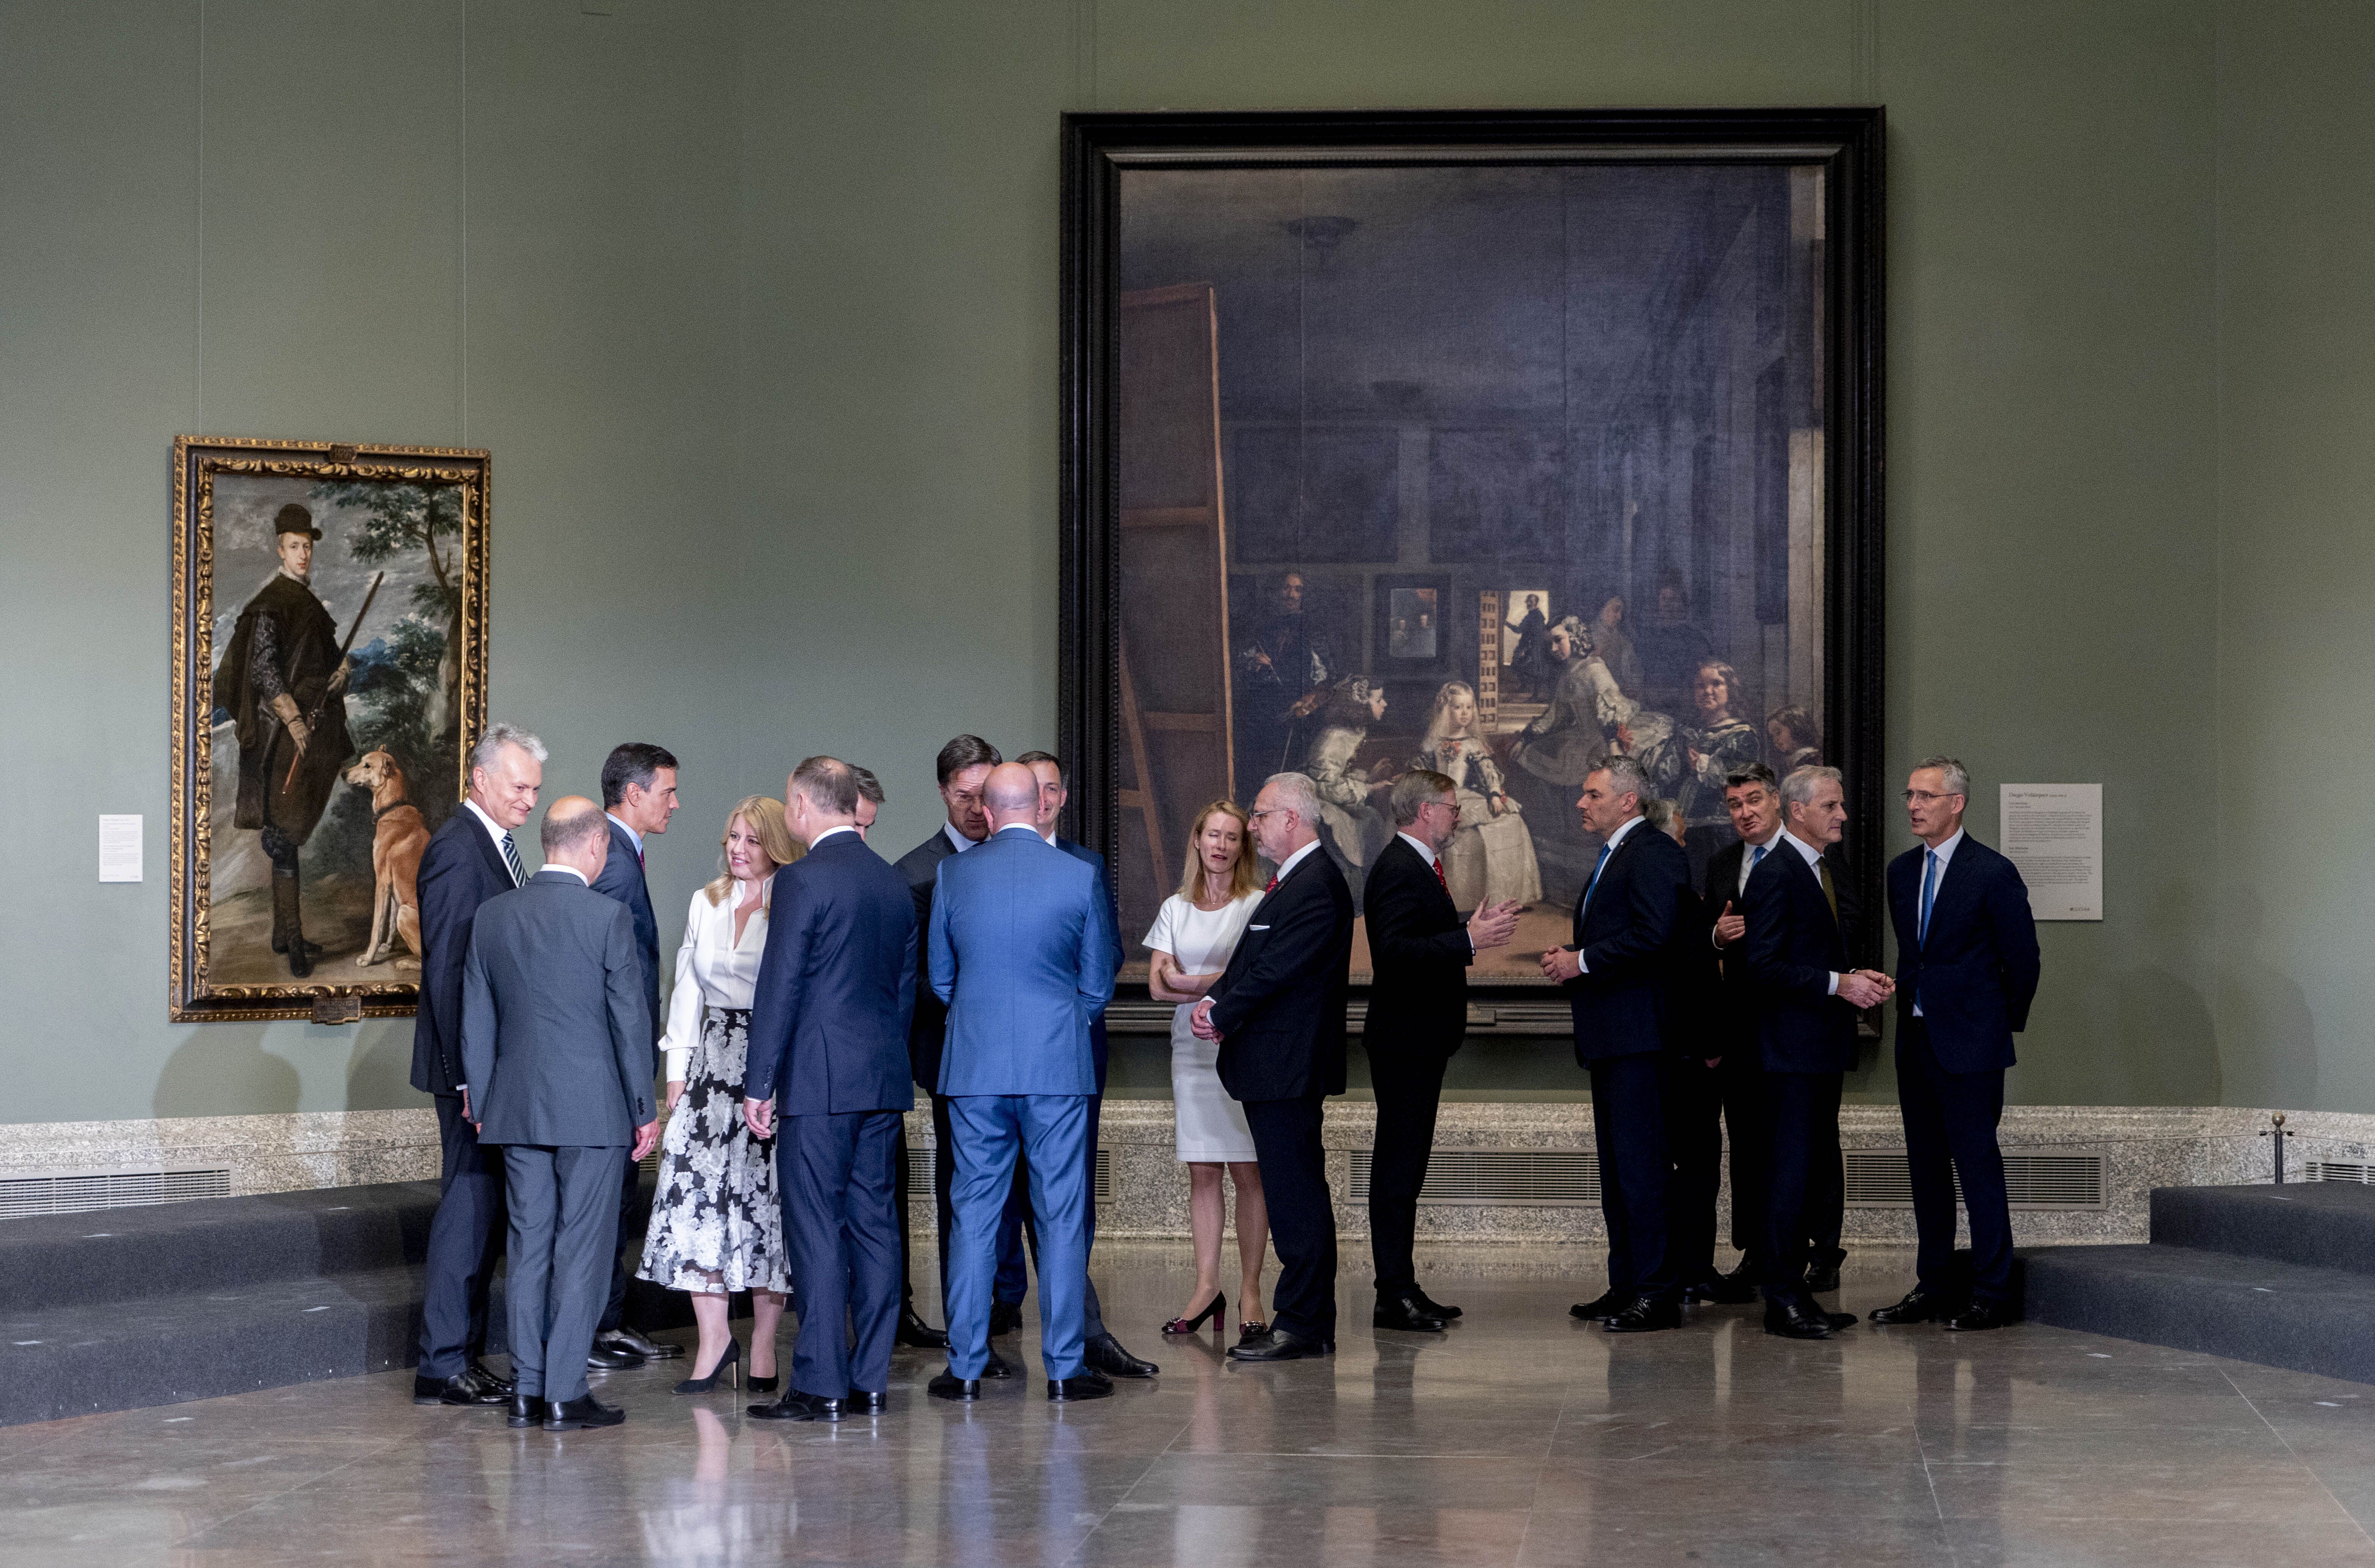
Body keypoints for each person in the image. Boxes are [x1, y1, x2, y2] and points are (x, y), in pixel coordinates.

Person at [460, 797, 661, 1432]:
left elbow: (478, 1019)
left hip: (516, 1108)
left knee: (528, 1246)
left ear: (547, 841)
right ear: (596, 843)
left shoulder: (493, 916)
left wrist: (486, 1101)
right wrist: (643, 1105)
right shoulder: (607, 917)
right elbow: (630, 1020)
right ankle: (565, 1392)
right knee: (582, 1247)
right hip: (594, 1110)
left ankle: (527, 1388)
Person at [926, 764, 1118, 1403]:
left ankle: (967, 1365)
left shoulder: (955, 873)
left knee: (973, 1213)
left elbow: (942, 978)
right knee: (1061, 1215)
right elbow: (1097, 982)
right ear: (1040, 804)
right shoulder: (1080, 873)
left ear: (986, 805)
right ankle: (1065, 1368)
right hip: (1057, 1066)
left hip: (976, 1067)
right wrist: (1058, 1024)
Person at [741, 758, 922, 1420]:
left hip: (817, 1080)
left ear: (801, 804)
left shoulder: (801, 879)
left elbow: (780, 984)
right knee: (875, 1224)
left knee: (816, 1225)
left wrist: (760, 1080)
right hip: (881, 1076)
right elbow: (903, 991)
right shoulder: (893, 881)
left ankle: (821, 1381)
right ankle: (871, 1376)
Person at [988, 751, 1157, 1379]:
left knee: (1068, 1200)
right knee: (994, 1200)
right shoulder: (979, 864)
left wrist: (1062, 1020)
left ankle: (1082, 1332)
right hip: (996, 1065)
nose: (1048, 797)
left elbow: (1106, 956)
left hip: (1073, 1056)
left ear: (1059, 796)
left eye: (1056, 787)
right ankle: (1003, 1320)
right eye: (1038, 788)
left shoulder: (1084, 864)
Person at [1869, 756, 2042, 1333]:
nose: (1914, 805)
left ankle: (1992, 1290)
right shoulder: (1900, 872)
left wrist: (1993, 1024)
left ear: (1957, 802)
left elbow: (2023, 962)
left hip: (1972, 1047)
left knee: (1977, 1168)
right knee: (1925, 1169)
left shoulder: (1991, 872)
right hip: (1916, 1043)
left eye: (1926, 796)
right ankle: (1936, 1284)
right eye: (1910, 795)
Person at [1191, 772, 1356, 1363]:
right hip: (1273, 1065)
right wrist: (1217, 1003)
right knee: (1292, 1193)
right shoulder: (1292, 882)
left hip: (1289, 1066)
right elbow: (1250, 961)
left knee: (1296, 1195)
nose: (1251, 827)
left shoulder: (1317, 884)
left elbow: (1279, 969)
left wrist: (1222, 1010)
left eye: (1260, 816)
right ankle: (1307, 1321)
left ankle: (1304, 1324)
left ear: (1292, 818)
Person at [637, 797, 797, 1395]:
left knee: (764, 1206)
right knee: (693, 1197)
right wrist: (675, 1075)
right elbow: (684, 988)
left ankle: (761, 1344)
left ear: (776, 844)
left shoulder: (791, 900)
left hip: (769, 1063)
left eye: (752, 840)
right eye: (733, 837)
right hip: (709, 1063)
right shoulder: (706, 901)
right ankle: (713, 1341)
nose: (738, 849)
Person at [408, 723, 542, 1409]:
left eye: (535, 789)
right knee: (467, 1209)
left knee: (484, 1210)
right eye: (518, 786)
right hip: (472, 1071)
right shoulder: (459, 849)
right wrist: (469, 1074)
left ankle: (462, 1354)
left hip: (492, 1067)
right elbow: (450, 970)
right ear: (481, 778)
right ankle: (442, 1363)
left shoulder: (495, 844)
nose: (528, 799)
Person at [1540, 757, 1695, 1334]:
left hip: (1640, 1038)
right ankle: (1628, 1283)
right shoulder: (1617, 855)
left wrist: (1581, 960)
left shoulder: (1654, 852)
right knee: (1618, 1170)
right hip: (1612, 1037)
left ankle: (1657, 1292)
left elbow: (1657, 935)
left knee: (1643, 1169)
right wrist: (1576, 957)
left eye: (1593, 794)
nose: (1582, 803)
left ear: (1628, 801)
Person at [1365, 771, 1522, 1332]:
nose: (1458, 815)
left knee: (1407, 1168)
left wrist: (1466, 927)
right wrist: (1469, 941)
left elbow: (1420, 931)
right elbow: (1394, 950)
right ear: (1426, 810)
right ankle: (1393, 1293)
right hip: (1405, 1039)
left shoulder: (1418, 866)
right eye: (1453, 807)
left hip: (1420, 1038)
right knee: (1398, 1170)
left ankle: (1402, 1287)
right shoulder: (1398, 867)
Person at [1741, 765, 1894, 1340]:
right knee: (1787, 1175)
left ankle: (1797, 1292)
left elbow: (1805, 955)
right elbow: (1763, 966)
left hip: (1817, 1049)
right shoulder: (1776, 872)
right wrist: (1839, 984)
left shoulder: (1820, 869)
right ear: (1797, 810)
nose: (1842, 815)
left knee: (1803, 1176)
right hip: (1789, 1054)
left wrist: (1853, 977)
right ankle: (1782, 1298)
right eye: (1831, 805)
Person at [893, 735, 1003, 1358]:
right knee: (964, 1192)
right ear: (943, 791)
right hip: (951, 1056)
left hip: (1017, 1058)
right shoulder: (916, 874)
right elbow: (918, 982)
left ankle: (1001, 1305)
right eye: (964, 795)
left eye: (985, 795)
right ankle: (969, 1324)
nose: (975, 808)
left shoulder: (1018, 860)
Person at [1144, 801, 1270, 1342]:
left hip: (1241, 1046)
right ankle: (1205, 1288)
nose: (1220, 844)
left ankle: (1250, 1291)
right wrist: (1219, 980)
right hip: (1190, 1050)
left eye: (1232, 837)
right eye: (1212, 834)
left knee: (1248, 1171)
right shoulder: (1175, 907)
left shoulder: (1257, 904)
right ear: (1197, 840)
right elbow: (1155, 985)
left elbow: (1257, 976)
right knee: (1203, 1172)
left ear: (1244, 846)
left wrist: (1191, 982)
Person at [211, 502, 353, 977]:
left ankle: (282, 930)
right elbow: (265, 671)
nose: (303, 555)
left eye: (308, 547)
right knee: (285, 829)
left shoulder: (310, 603)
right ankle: (290, 938)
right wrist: (293, 721)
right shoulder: (271, 602)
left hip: (316, 727)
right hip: (282, 735)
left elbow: (331, 659)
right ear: (281, 549)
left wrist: (341, 677)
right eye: (295, 547)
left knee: (292, 827)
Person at [587, 743, 683, 1368]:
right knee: (612, 1200)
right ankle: (601, 1329)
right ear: (633, 793)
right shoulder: (617, 865)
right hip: (612, 1069)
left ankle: (607, 1324)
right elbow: (614, 981)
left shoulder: (620, 853)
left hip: (614, 1064)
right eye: (667, 791)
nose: (675, 802)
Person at [1679, 764, 1789, 1306]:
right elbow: (1704, 945)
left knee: (1786, 1147)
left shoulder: (1805, 857)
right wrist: (1716, 938)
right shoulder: (1723, 862)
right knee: (1746, 1147)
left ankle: (1796, 1253)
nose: (1744, 812)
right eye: (1734, 804)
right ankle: (1756, 1254)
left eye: (1753, 801)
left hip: (1792, 1025)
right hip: (1737, 1028)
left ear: (1777, 801)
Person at [1415, 681, 1543, 911]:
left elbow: (1489, 772)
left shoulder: (1474, 744)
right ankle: (1453, 900)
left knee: (1510, 822)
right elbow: (1419, 770)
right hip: (1438, 796)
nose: (1465, 714)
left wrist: (1495, 795)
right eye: (1458, 708)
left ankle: (1503, 896)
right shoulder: (1432, 742)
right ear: (1446, 709)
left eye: (1469, 707)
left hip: (1467, 796)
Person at [1235, 569, 1334, 781]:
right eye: (1287, 588)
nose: (1292, 595)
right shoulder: (1262, 627)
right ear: (1277, 592)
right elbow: (1239, 666)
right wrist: (1254, 662)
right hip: (1261, 712)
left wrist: (1310, 699)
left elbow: (1324, 677)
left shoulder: (1313, 629)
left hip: (1296, 713)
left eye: (1298, 589)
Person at [1304, 678, 1393, 901]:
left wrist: (1369, 778)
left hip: (1334, 798)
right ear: (1362, 705)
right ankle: (1356, 901)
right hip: (1319, 803)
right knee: (1364, 824)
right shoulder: (1336, 737)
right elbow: (1326, 786)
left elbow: (1340, 775)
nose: (1385, 704)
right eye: (1379, 700)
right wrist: (1370, 788)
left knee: (1372, 819)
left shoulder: (1353, 731)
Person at [1676, 660, 1763, 881]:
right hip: (1688, 826)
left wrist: (1704, 764)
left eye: (1717, 684)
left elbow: (1740, 781)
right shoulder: (1691, 733)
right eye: (1700, 686)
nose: (1708, 691)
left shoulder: (1742, 735)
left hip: (1720, 827)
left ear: (1731, 690)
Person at [1634, 570, 1716, 714]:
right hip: (1652, 709)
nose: (1668, 605)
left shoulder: (1695, 639)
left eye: (1674, 600)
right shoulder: (1647, 638)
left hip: (1685, 709)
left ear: (1683, 604)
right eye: (1664, 599)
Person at [1593, 595, 1645, 699]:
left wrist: (1633, 688)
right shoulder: (1588, 637)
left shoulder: (1624, 641)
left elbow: (1636, 671)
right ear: (1603, 610)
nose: (1620, 617)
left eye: (1622, 612)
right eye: (1616, 611)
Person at [1502, 593, 1550, 698]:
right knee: (1516, 666)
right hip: (1527, 646)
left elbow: (1537, 635)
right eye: (1528, 601)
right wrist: (1507, 624)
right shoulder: (1529, 616)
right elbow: (1519, 630)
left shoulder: (1537, 617)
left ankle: (1535, 696)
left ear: (1536, 603)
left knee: (1537, 671)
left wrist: (1527, 648)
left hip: (1534, 647)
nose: (1529, 603)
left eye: (1531, 601)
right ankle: (1524, 686)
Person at [1767, 705, 1823, 774]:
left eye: (1778, 733)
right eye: (1773, 736)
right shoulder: (1789, 763)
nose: (1775, 740)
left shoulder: (1812, 760)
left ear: (1796, 728)